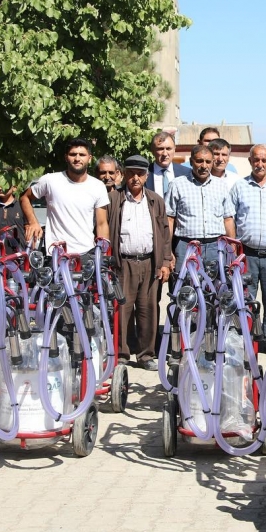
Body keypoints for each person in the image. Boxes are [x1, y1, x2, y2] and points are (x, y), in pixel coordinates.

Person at [107, 155, 172, 371]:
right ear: (124, 174)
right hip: (123, 263)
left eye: (140, 174)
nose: (135, 178)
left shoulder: (155, 200)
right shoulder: (113, 199)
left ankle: (146, 355)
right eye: (131, 173)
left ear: (146, 176)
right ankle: (122, 353)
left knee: (148, 310)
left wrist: (165, 262)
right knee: (123, 309)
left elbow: (164, 234)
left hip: (149, 263)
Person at [228, 144, 266, 352]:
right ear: (250, 161)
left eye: (264, 160)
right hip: (247, 255)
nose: (260, 164)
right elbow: (230, 218)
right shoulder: (239, 186)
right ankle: (248, 340)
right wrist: (233, 249)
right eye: (256, 160)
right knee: (245, 301)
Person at [21, 138, 110, 254]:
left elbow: (102, 224)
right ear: (66, 157)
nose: (77, 158)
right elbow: (24, 197)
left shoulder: (98, 186)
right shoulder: (50, 180)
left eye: (82, 155)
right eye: (73, 154)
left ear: (89, 158)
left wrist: (103, 254)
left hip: (87, 253)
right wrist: (33, 222)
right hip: (56, 253)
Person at [165, 145, 234, 267]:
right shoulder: (177, 185)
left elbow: (228, 219)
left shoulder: (221, 186)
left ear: (212, 163)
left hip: (216, 247)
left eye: (208, 162)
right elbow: (169, 220)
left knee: (216, 280)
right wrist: (168, 251)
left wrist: (232, 247)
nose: (204, 166)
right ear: (191, 162)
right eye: (199, 161)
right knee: (185, 279)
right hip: (186, 246)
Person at [145, 131, 191, 198]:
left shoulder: (186, 173)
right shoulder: (143, 173)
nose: (165, 154)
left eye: (168, 149)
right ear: (152, 150)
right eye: (160, 149)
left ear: (174, 149)